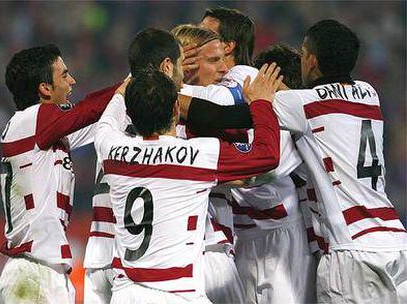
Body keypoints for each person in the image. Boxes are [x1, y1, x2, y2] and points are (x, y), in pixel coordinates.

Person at [184, 20, 407, 303]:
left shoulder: (303, 104)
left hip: (350, 247)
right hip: (395, 240)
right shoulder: (369, 94)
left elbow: (228, 114)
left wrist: (257, 98)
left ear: (311, 60)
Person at [94, 62, 282, 303]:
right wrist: (261, 102)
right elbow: (267, 155)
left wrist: (125, 89)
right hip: (177, 293)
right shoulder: (198, 155)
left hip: (126, 293)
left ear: (130, 114)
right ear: (176, 109)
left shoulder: (109, 147)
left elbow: (109, 117)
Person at [0, 44, 116, 303]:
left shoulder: (44, 133)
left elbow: (101, 119)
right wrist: (137, 79)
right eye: (64, 75)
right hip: (33, 272)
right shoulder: (33, 119)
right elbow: (90, 109)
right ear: (45, 88)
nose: (72, 81)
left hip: (43, 272)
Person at [83, 28, 184, 304]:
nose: (184, 76)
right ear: (167, 66)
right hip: (135, 260)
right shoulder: (168, 119)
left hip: (98, 252)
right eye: (182, 65)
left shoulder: (109, 115)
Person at [231, 44, 316, 304]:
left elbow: (265, 169)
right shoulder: (253, 123)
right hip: (244, 241)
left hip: (287, 241)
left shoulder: (296, 130)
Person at [173, 24, 246, 304]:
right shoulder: (210, 101)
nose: (225, 69)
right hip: (208, 251)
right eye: (214, 60)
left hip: (173, 254)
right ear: (188, 63)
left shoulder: (148, 104)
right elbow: (247, 172)